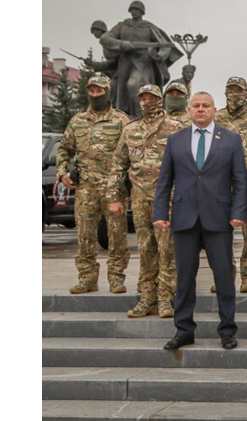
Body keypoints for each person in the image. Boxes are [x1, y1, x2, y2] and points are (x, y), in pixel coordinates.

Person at [153, 92, 247, 351]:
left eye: (206, 106)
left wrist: (239, 211)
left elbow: (239, 180)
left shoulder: (231, 139)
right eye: (196, 106)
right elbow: (164, 181)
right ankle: (184, 330)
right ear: (188, 109)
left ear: (214, 110)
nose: (201, 110)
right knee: (184, 279)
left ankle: (227, 331)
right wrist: (160, 213)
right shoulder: (175, 140)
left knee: (225, 277)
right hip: (184, 219)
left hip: (219, 219)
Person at [108, 84, 185, 318]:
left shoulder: (176, 127)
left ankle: (165, 298)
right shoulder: (130, 129)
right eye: (143, 98)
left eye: (152, 97)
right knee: (145, 249)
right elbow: (118, 165)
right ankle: (147, 298)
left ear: (160, 100)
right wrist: (115, 197)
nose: (147, 101)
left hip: (169, 199)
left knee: (168, 250)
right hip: (140, 199)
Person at [55, 74, 131, 294]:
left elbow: (129, 153)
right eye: (92, 90)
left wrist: (127, 184)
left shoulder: (120, 120)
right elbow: (64, 150)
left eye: (99, 90)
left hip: (113, 189)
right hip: (86, 189)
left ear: (107, 92)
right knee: (85, 236)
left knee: (116, 236)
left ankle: (116, 279)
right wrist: (62, 172)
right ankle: (87, 279)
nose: (95, 94)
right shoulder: (77, 121)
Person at [214, 77, 247, 294]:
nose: (234, 94)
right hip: (221, 185)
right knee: (220, 235)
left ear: (246, 93)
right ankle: (224, 277)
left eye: (238, 90)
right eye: (230, 90)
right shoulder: (216, 118)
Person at [98, 0, 183, 119]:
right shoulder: (122, 26)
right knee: (121, 93)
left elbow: (164, 44)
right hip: (125, 64)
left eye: (137, 10)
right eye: (132, 10)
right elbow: (105, 38)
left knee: (134, 85)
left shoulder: (148, 27)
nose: (134, 12)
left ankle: (138, 116)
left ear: (142, 12)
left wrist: (158, 55)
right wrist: (122, 44)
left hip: (143, 64)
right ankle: (124, 117)